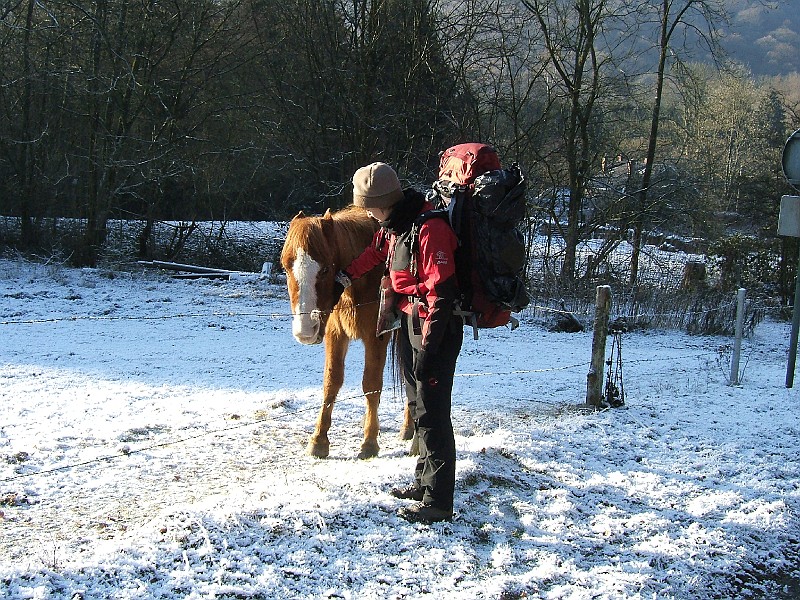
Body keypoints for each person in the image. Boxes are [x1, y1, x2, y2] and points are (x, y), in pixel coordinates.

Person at [336, 162, 463, 524]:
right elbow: (376, 254)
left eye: (368, 207)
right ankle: (424, 485)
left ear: (383, 202)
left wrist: (432, 346)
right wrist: (343, 278)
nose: (367, 214)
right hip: (410, 318)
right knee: (417, 401)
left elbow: (443, 292)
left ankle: (439, 501)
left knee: (434, 410)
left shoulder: (429, 228)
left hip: (434, 325)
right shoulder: (394, 225)